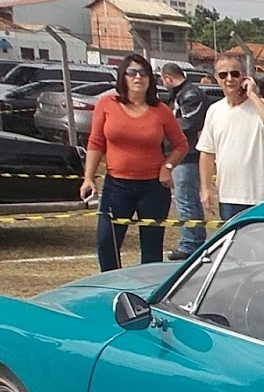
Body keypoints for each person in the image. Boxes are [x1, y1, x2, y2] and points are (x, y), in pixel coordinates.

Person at [80, 55, 187, 271]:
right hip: (116, 186)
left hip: (153, 188)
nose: (138, 77)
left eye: (144, 72)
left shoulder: (161, 110)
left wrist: (167, 167)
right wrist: (88, 178)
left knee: (151, 247)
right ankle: (111, 284)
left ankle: (147, 287)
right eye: (132, 72)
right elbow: (96, 142)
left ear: (150, 78)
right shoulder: (107, 104)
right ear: (123, 76)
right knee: (106, 242)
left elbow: (181, 145)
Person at [198, 54, 264, 223]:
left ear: (244, 76)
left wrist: (253, 95)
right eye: (223, 75)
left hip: (260, 197)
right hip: (228, 197)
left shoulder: (261, 106)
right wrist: (205, 188)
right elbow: (207, 152)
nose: (229, 79)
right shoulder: (214, 111)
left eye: (235, 73)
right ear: (216, 78)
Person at [160, 62, 210, 260]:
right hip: (181, 154)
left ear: (168, 77)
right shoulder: (179, 95)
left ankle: (190, 243)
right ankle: (194, 241)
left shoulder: (190, 94)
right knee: (187, 200)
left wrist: (163, 129)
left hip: (188, 155)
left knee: (186, 200)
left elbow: (189, 122)